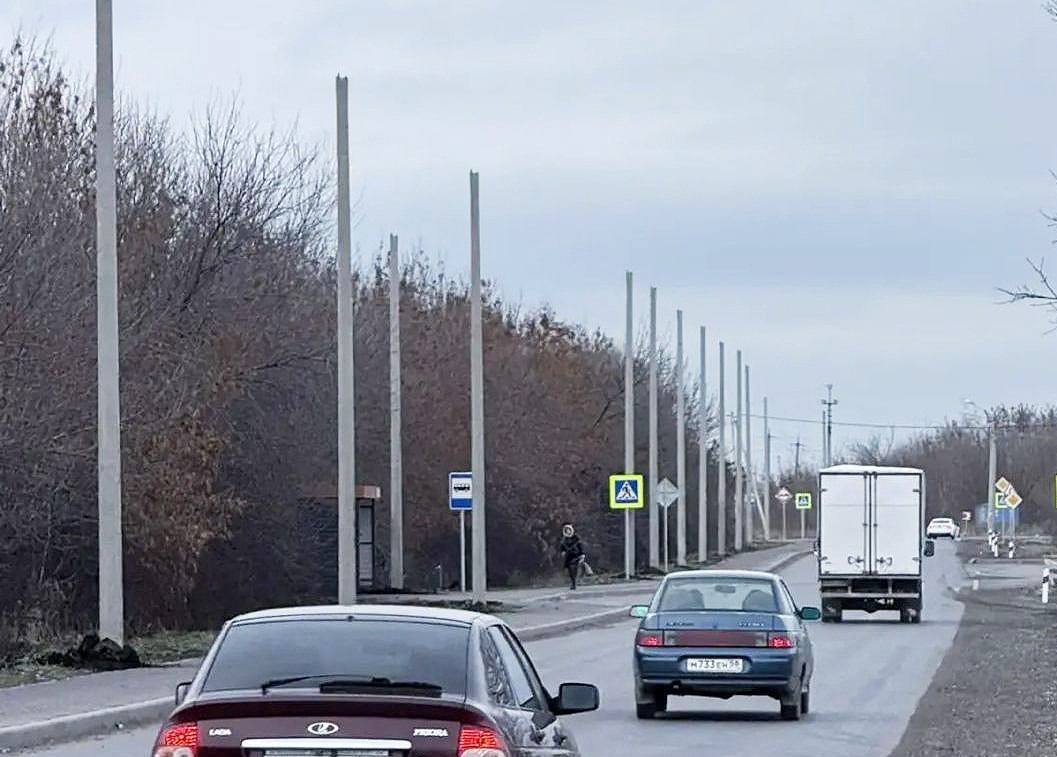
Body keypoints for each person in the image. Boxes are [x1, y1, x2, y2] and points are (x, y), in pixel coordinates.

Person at [559, 524, 586, 590]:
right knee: (570, 570)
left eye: (569, 530)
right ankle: (573, 582)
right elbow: (562, 547)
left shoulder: (576, 538)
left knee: (576, 569)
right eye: (566, 530)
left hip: (577, 555)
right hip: (569, 556)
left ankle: (575, 582)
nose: (568, 531)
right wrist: (563, 551)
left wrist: (582, 554)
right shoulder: (564, 539)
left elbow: (580, 546)